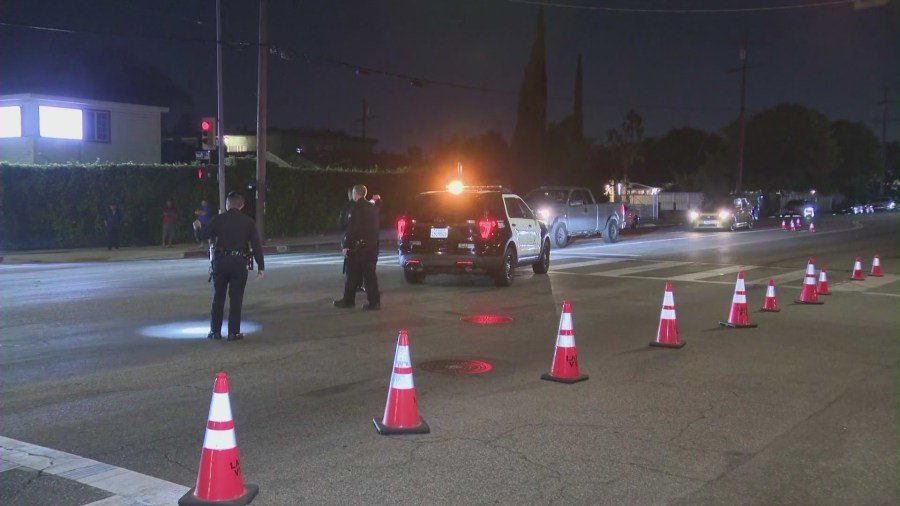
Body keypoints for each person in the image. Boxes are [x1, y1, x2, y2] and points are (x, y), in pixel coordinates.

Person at [200, 191, 265, 341]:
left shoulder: (218, 219)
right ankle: (233, 332)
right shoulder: (248, 222)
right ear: (241, 205)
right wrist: (260, 266)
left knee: (218, 297)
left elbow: (203, 235)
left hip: (221, 261)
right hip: (239, 262)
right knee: (236, 299)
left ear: (227, 204)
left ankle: (215, 331)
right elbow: (256, 246)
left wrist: (197, 227)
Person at [333, 184, 381, 310]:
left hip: (358, 247)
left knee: (352, 274)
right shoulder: (372, 207)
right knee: (370, 276)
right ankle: (374, 302)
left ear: (356, 193)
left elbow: (353, 228)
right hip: (372, 246)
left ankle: (349, 300)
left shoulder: (356, 208)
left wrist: (346, 245)